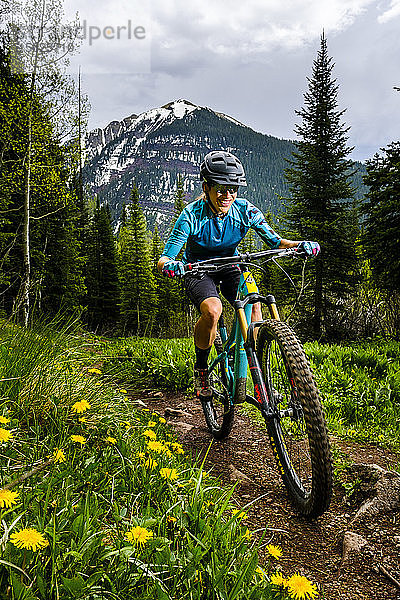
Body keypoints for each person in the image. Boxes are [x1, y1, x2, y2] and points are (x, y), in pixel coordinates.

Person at [157, 150, 320, 399]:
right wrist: (172, 265)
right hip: (198, 269)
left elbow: (275, 241)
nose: (228, 195)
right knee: (213, 311)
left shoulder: (245, 210)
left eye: (233, 188)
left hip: (232, 265)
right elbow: (165, 258)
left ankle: (254, 368)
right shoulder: (191, 215)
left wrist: (300, 245)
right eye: (221, 189)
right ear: (206, 187)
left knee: (254, 303)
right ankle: (201, 369)